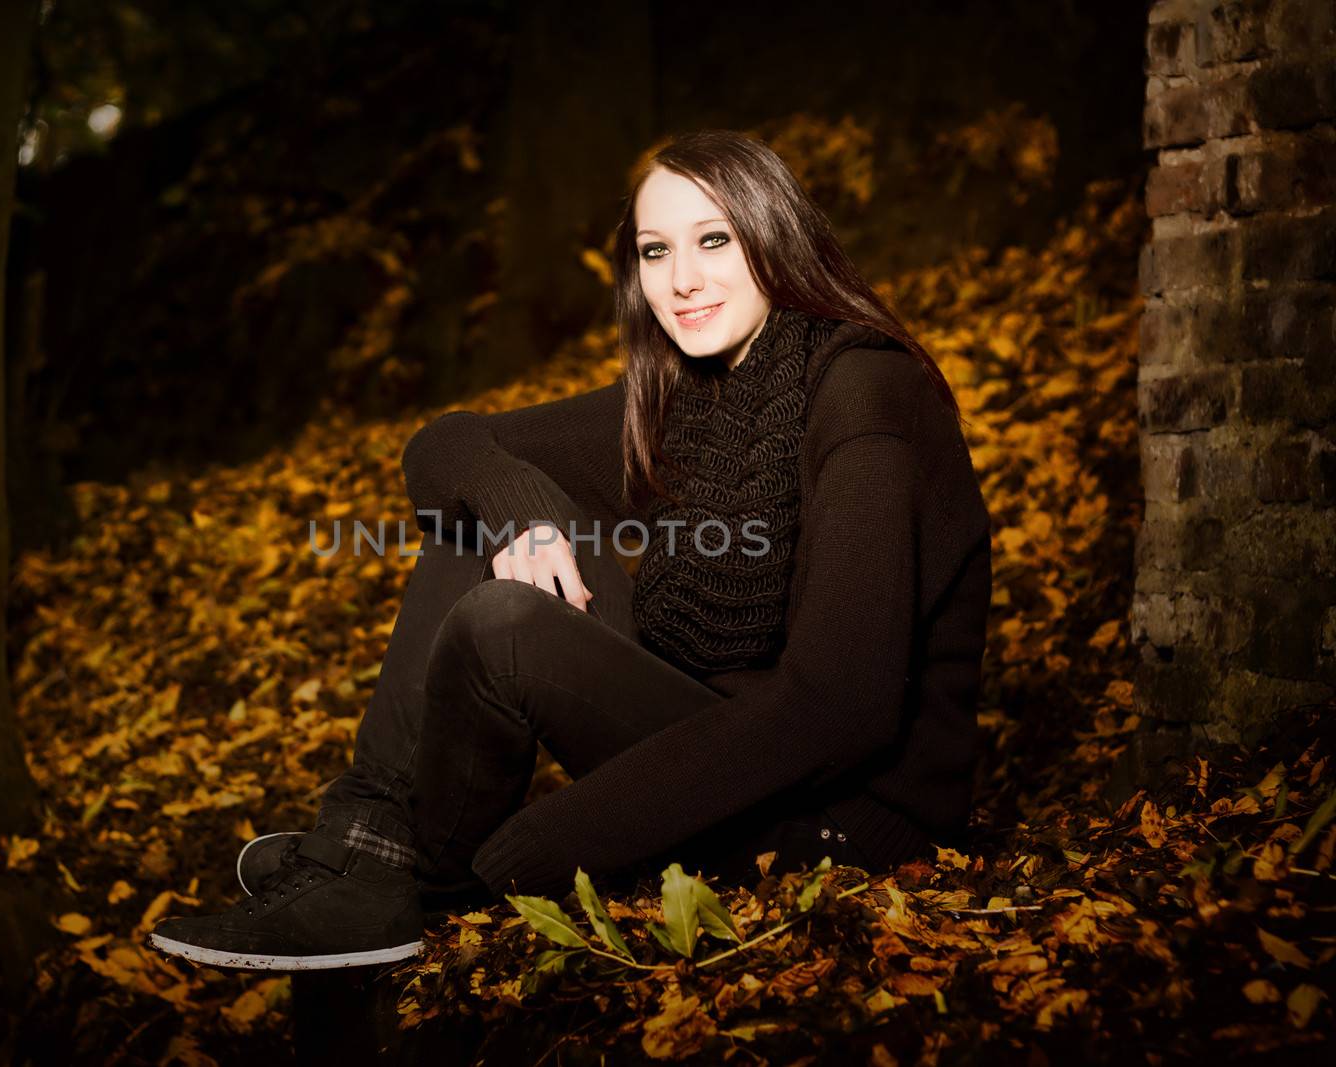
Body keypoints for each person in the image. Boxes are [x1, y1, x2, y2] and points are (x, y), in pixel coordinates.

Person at [150, 129, 992, 972]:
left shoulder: (867, 395)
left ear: (777, 234)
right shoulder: (691, 392)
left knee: (503, 623)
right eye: (656, 250)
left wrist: (544, 842)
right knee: (482, 511)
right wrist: (522, 513)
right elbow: (446, 445)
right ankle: (371, 851)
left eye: (714, 240)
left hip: (842, 825)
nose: (682, 281)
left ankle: (419, 881)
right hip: (721, 743)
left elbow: (840, 707)